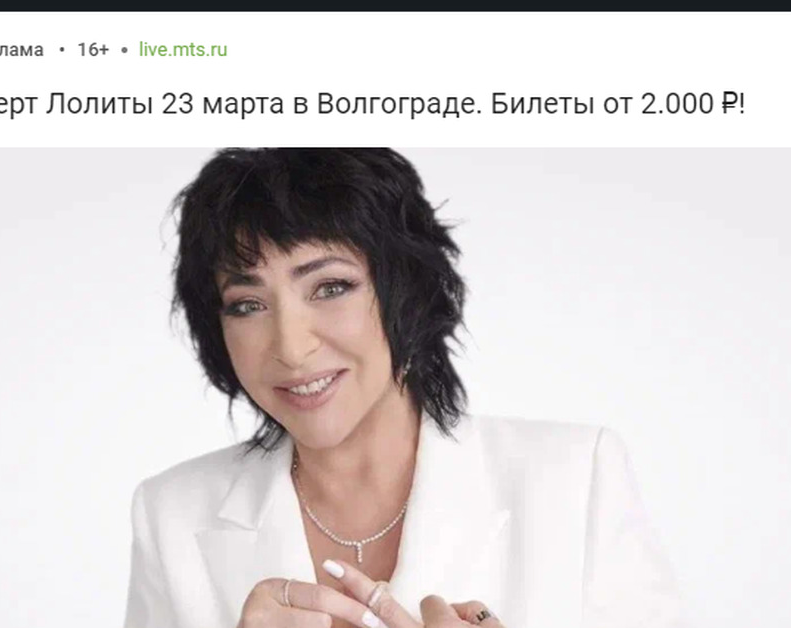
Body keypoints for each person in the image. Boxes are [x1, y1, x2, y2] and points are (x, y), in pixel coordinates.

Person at [123, 148, 686, 628]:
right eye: (247, 304)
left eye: (330, 287)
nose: (290, 348)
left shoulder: (574, 478)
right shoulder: (172, 513)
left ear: (408, 292)